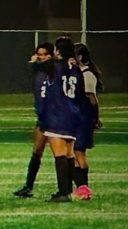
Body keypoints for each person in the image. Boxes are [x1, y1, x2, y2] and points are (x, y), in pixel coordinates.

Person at [37, 35, 84, 203]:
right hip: (73, 114)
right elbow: (80, 93)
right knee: (69, 154)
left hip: (58, 114)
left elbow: (38, 67)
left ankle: (63, 192)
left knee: (59, 155)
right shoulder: (76, 68)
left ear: (57, 51)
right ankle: (70, 190)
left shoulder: (55, 66)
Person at [13, 42, 55, 198]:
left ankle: (70, 188)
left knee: (63, 154)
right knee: (37, 151)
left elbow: (48, 67)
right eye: (39, 54)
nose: (41, 57)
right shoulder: (37, 71)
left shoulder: (54, 69)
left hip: (56, 117)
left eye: (45, 54)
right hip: (42, 117)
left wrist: (35, 64)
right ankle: (28, 187)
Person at [72, 43, 103, 200]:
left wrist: (96, 119)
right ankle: (83, 188)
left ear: (80, 57)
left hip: (83, 118)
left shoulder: (87, 75)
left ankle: (83, 189)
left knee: (77, 153)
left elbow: (93, 99)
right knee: (77, 153)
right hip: (80, 117)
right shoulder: (79, 74)